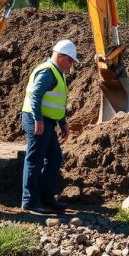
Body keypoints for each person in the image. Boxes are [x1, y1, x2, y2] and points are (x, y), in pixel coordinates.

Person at [20, 39, 78, 215]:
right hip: (36, 119)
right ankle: (29, 202)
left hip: (47, 120)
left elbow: (56, 102)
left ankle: (46, 199)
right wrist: (38, 120)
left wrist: (63, 123)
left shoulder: (57, 72)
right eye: (70, 60)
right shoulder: (47, 72)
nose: (71, 64)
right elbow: (36, 96)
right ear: (60, 56)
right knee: (34, 160)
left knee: (54, 158)